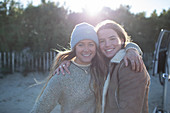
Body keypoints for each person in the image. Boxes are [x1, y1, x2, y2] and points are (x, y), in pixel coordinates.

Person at [30, 23, 107, 113]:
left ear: (96, 47)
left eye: (91, 44)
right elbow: (39, 109)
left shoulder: (102, 68)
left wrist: (128, 48)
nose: (86, 49)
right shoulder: (63, 74)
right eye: (81, 45)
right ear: (74, 48)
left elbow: (121, 47)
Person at [95, 20, 150, 113]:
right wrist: (67, 61)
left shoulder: (129, 64)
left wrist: (131, 48)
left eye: (112, 39)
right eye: (102, 41)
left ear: (122, 40)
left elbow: (130, 108)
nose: (107, 44)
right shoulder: (103, 63)